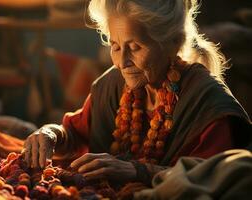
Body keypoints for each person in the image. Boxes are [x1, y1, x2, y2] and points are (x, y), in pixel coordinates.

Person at [23, 0, 252, 186]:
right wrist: (51, 133)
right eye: (115, 46)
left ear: (173, 43)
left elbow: (212, 179)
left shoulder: (207, 103)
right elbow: (76, 134)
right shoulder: (112, 84)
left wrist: (137, 171)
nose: (122, 62)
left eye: (135, 48)